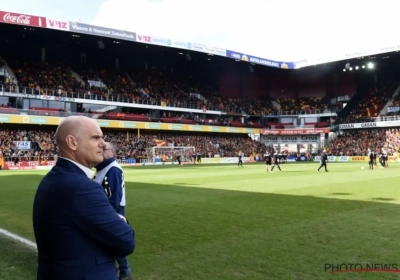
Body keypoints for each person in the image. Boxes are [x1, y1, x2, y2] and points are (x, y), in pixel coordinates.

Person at [32, 116, 135, 280]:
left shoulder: (54, 178)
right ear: (72, 142)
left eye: (102, 137)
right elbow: (126, 241)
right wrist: (120, 218)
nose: (103, 143)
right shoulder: (82, 188)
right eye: (95, 137)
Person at [94, 142, 132, 280]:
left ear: (112, 153)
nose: (101, 151)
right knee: (107, 241)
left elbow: (115, 196)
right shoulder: (103, 168)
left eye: (104, 149)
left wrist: (110, 215)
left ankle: (125, 271)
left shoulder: (113, 169)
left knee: (112, 241)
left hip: (111, 211)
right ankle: (118, 269)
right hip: (106, 210)